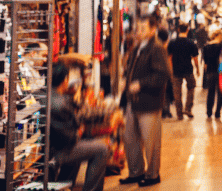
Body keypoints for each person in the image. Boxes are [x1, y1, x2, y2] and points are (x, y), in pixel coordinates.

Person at [120, 15, 170, 187]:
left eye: (143, 28)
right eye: (137, 28)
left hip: (149, 103)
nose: (138, 32)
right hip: (132, 102)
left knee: (151, 142)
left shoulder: (156, 48)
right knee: (130, 138)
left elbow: (162, 75)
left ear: (152, 29)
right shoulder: (137, 48)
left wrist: (140, 84)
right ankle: (136, 171)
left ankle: (152, 174)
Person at [50, 63, 110, 191]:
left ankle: (64, 186)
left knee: (83, 149)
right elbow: (70, 138)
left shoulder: (50, 95)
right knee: (102, 149)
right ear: (65, 80)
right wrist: (80, 130)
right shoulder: (60, 102)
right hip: (59, 150)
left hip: (52, 148)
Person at [167, 22, 200, 119]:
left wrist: (170, 69)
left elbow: (169, 58)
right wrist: (197, 69)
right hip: (188, 69)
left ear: (178, 30)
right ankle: (188, 109)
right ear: (187, 30)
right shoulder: (191, 43)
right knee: (191, 87)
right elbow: (195, 58)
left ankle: (179, 113)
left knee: (177, 93)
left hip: (176, 70)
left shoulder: (172, 42)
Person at [201, 30, 222, 119]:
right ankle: (217, 112)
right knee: (220, 92)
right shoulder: (221, 46)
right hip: (220, 72)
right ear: (218, 35)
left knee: (210, 92)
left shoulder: (206, 46)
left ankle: (209, 112)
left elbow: (205, 63)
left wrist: (206, 73)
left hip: (210, 72)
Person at [157, 28, 174, 119]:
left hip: (158, 73)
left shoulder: (156, 46)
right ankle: (166, 110)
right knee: (167, 92)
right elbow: (169, 61)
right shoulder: (166, 47)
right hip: (166, 73)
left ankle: (164, 110)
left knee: (162, 92)